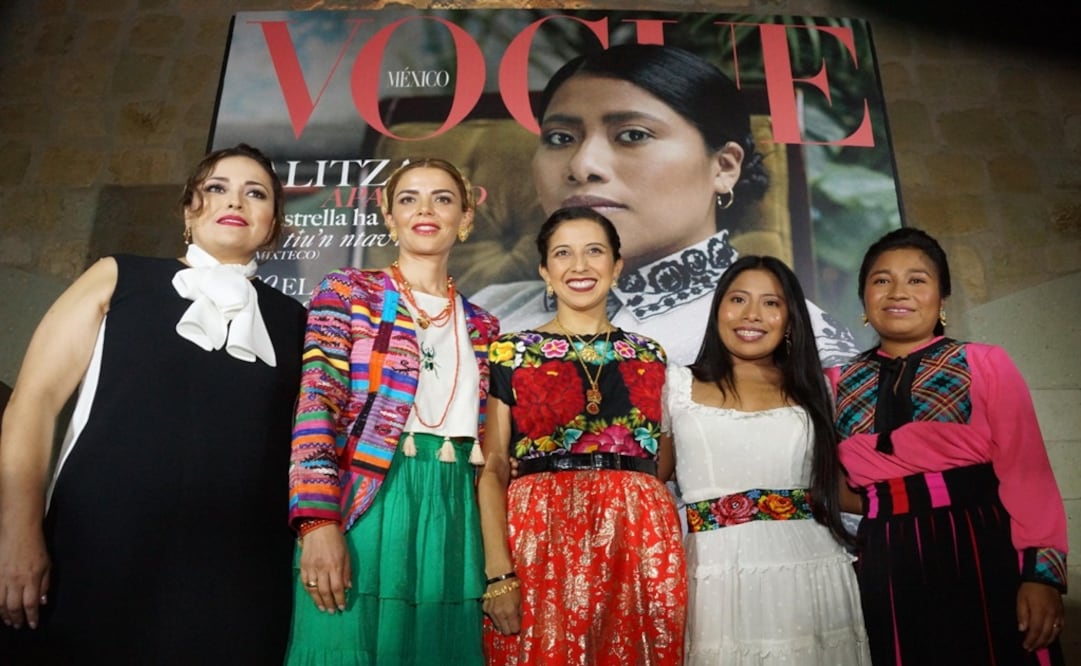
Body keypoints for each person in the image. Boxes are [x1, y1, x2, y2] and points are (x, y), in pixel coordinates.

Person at [0, 144, 306, 664]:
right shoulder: (117, 276)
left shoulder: (298, 320)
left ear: (272, 223)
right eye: (217, 187)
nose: (236, 200)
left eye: (255, 193)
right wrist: (18, 534)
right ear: (190, 209)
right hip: (97, 555)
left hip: (236, 581)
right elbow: (32, 404)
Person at [472, 43, 859, 368]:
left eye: (633, 135)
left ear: (723, 167)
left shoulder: (793, 339)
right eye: (559, 138)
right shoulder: (487, 311)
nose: (582, 166)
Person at [285, 158, 500, 665]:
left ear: (465, 217)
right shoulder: (348, 292)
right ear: (387, 213)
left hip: (453, 510)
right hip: (367, 498)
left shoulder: (485, 326)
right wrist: (317, 523)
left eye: (443, 199)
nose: (425, 210)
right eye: (409, 198)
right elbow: (318, 401)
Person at [829, 227, 1068, 665]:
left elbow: (1027, 473)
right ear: (863, 299)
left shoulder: (985, 362)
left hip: (981, 546)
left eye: (917, 280)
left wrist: (1042, 576)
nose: (898, 291)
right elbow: (836, 486)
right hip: (886, 557)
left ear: (942, 300)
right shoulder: (837, 383)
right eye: (881, 280)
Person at [478, 206, 686, 665]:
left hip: (637, 536)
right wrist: (499, 574)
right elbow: (493, 466)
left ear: (616, 267)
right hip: (539, 530)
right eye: (563, 253)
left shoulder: (650, 355)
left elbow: (664, 462)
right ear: (545, 273)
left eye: (594, 251)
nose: (579, 266)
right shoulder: (511, 351)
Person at [662, 255, 870, 664]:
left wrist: (924, 500)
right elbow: (650, 479)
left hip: (812, 564)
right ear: (718, 308)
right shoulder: (676, 384)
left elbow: (841, 487)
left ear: (790, 318)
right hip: (714, 571)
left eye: (771, 303)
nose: (752, 315)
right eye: (738, 299)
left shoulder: (817, 390)